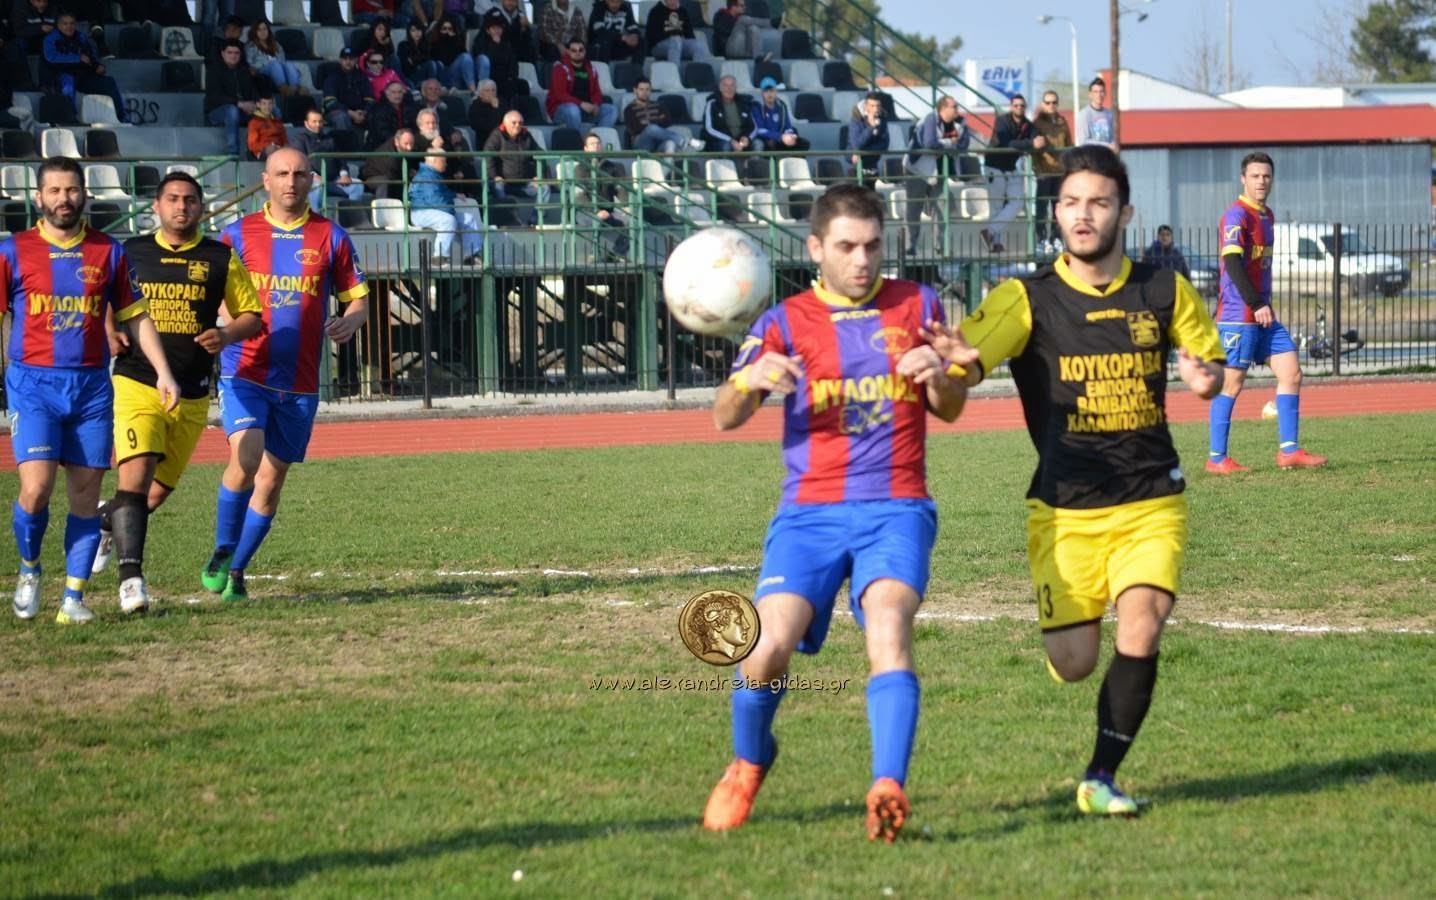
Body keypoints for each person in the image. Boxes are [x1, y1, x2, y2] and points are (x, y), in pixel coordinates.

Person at [923, 145, 1226, 817]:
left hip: (1152, 498)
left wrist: (1204, 378)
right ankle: (1066, 642)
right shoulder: (1024, 298)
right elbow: (962, 372)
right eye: (1070, 203)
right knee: (1074, 662)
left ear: (1125, 213)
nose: (1082, 215)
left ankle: (1100, 777)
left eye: (1098, 202)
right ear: (1055, 212)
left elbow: (1208, 366)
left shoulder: (1165, 289)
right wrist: (951, 364)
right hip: (1065, 509)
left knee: (1143, 622)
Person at [701, 183, 967, 842]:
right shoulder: (783, 322)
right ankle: (749, 762)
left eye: (873, 245)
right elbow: (723, 416)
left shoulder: (918, 304)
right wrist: (749, 381)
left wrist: (940, 375)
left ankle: (888, 786)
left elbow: (951, 408)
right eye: (847, 247)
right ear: (816, 247)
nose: (863, 260)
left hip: (897, 506)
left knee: (889, 627)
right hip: (809, 514)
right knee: (764, 650)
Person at [1, 157, 180, 624]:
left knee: (85, 497)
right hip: (34, 384)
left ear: (85, 194)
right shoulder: (12, 251)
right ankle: (29, 569)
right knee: (36, 490)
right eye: (54, 191)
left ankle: (73, 598)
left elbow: (136, 316)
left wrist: (163, 371)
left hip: (92, 389)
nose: (64, 199)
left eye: (72, 190)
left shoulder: (108, 251)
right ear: (38, 198)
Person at [88, 173, 263, 612]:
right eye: (172, 199)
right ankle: (131, 581)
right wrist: (108, 329)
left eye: (189, 200)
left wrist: (227, 334)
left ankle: (106, 520)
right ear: (156, 206)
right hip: (136, 381)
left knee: (154, 494)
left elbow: (252, 315)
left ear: (201, 207)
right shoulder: (131, 252)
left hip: (192, 393)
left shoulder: (220, 257)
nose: (181, 206)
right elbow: (99, 295)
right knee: (136, 474)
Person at [202, 148, 369, 601]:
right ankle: (222, 549)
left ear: (311, 179)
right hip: (245, 370)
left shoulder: (331, 236)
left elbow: (358, 299)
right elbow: (213, 294)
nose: (290, 181)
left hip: (299, 381)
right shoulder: (237, 235)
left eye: (299, 173)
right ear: (266, 180)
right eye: (281, 173)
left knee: (271, 482)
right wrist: (228, 322)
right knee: (247, 457)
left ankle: (236, 571)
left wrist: (351, 322)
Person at [1207, 152, 1327, 473]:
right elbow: (1232, 262)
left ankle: (1289, 451)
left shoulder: (1267, 215)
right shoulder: (1236, 214)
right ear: (1243, 179)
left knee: (1292, 373)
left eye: (1266, 176)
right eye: (1255, 176)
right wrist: (1255, 302)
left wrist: (1263, 305)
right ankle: (1216, 459)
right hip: (1239, 314)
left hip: (1263, 315)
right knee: (1232, 383)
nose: (1262, 181)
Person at [902, 95, 968, 255]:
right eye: (954, 107)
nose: (958, 110)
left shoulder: (960, 122)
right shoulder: (930, 119)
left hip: (939, 172)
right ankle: (909, 246)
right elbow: (929, 143)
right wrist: (949, 143)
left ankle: (941, 246)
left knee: (942, 206)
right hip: (918, 170)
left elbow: (963, 145)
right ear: (943, 108)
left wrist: (946, 145)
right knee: (914, 208)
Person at [980, 93, 1046, 254]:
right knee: (996, 206)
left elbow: (1037, 141)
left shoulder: (1028, 125)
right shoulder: (1002, 120)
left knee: (1018, 202)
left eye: (1022, 106)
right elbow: (1007, 143)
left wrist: (1039, 142)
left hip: (1011, 168)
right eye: (1016, 105)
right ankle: (994, 244)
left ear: (1025, 107)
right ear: (1011, 107)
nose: (1019, 108)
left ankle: (989, 231)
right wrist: (1031, 143)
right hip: (994, 166)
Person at [41, 12, 128, 123]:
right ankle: (68, 119)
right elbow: (51, 58)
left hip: (82, 76)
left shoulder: (81, 37)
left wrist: (97, 66)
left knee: (108, 82)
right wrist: (77, 58)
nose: (69, 27)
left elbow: (91, 55)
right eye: (65, 24)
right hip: (58, 76)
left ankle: (120, 117)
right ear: (58, 25)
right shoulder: (50, 39)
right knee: (68, 84)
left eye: (72, 23)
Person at [409, 151, 484, 266]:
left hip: (435, 211)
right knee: (448, 220)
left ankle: (471, 255)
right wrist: (451, 212)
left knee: (468, 219)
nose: (446, 164)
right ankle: (439, 257)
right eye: (443, 161)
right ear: (434, 161)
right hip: (421, 212)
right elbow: (434, 199)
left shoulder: (434, 175)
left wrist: (455, 195)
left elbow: (442, 194)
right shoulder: (426, 176)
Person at [484, 109, 549, 226]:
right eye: (514, 122)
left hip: (524, 183)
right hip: (504, 183)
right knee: (497, 186)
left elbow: (541, 155)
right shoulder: (497, 135)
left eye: (520, 123)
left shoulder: (526, 135)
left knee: (545, 187)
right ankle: (509, 221)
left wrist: (539, 175)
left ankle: (534, 221)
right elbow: (488, 156)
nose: (517, 125)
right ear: (505, 123)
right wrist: (494, 176)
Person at [1031, 89, 1072, 254]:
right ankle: (1041, 240)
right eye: (1048, 102)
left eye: (1054, 102)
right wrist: (1036, 168)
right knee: (1041, 207)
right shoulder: (1037, 123)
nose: (1051, 105)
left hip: (1060, 171)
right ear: (1043, 104)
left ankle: (1056, 238)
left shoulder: (1062, 122)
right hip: (1044, 171)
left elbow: (1069, 145)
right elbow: (1034, 148)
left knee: (1058, 207)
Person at [547, 39, 618, 131]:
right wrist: (581, 104)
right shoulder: (560, 68)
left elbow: (597, 91)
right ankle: (576, 140)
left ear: (585, 51)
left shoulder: (591, 69)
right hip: (563, 110)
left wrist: (596, 104)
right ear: (568, 51)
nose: (578, 53)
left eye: (581, 50)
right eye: (574, 50)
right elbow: (560, 94)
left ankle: (597, 138)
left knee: (611, 110)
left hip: (586, 110)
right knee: (573, 110)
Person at [205, 39, 259, 158]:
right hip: (217, 112)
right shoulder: (213, 70)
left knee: (271, 110)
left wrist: (254, 104)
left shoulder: (244, 70)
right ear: (222, 53)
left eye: (236, 53)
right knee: (231, 110)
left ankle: (260, 150)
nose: (233, 56)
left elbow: (253, 92)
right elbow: (215, 97)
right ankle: (233, 153)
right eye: (230, 52)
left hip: (243, 111)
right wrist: (239, 104)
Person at [622, 77, 684, 153]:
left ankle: (669, 160)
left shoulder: (659, 105)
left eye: (647, 89)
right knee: (651, 128)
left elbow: (668, 121)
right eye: (641, 89)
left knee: (670, 143)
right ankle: (681, 140)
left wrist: (648, 123)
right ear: (635, 90)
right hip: (641, 143)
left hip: (658, 141)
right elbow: (635, 129)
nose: (645, 92)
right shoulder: (629, 109)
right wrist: (658, 120)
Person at [472, 10, 522, 104]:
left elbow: (513, 62)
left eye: (499, 28)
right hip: (490, 76)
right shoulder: (480, 42)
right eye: (494, 28)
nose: (497, 31)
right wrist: (494, 44)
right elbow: (485, 60)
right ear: (488, 30)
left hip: (505, 76)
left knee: (522, 85)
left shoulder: (506, 43)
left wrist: (511, 76)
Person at [245, 18, 303, 95]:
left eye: (265, 29)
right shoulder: (250, 46)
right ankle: (284, 89)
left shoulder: (276, 44)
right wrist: (268, 63)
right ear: (255, 32)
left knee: (289, 64)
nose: (262, 32)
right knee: (275, 65)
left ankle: (295, 87)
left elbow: (282, 60)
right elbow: (250, 63)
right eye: (259, 30)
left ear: (268, 30)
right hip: (261, 69)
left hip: (278, 67)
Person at [750, 76, 808, 153]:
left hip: (780, 138)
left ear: (776, 91)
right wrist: (780, 136)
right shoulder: (757, 106)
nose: (769, 94)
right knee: (758, 144)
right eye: (766, 91)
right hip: (764, 139)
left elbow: (788, 126)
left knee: (803, 143)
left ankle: (793, 160)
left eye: (771, 90)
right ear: (762, 93)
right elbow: (759, 130)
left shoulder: (782, 106)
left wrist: (789, 136)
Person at [321, 47, 372, 132]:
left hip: (360, 112)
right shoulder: (332, 77)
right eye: (345, 59)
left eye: (351, 59)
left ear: (356, 60)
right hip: (337, 112)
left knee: (377, 114)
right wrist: (351, 113)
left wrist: (364, 112)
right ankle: (345, 141)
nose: (348, 62)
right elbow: (330, 103)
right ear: (340, 60)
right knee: (341, 117)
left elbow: (370, 100)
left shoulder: (362, 77)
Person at [702, 74, 756, 153]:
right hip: (721, 140)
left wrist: (747, 138)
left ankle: (754, 161)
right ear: (720, 88)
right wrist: (730, 140)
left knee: (758, 143)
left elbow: (754, 126)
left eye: (732, 85)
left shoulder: (744, 103)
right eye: (725, 85)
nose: (729, 89)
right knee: (726, 146)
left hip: (741, 140)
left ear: (735, 87)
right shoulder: (712, 104)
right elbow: (709, 128)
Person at [646, 0, 712, 65]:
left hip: (679, 43)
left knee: (699, 45)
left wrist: (683, 40)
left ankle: (696, 71)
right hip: (659, 47)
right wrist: (672, 37)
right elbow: (651, 37)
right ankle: (673, 71)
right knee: (675, 41)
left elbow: (689, 34)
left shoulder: (683, 11)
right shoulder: (655, 11)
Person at [427, 13, 478, 93]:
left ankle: (473, 90)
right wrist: (448, 41)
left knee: (466, 57)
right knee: (440, 64)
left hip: (455, 76)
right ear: (439, 29)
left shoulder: (456, 40)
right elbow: (443, 60)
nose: (447, 31)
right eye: (444, 28)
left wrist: (454, 40)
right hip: (443, 76)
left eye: (450, 29)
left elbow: (464, 56)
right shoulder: (435, 42)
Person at [362, 126, 420, 197]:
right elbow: (393, 177)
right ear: (396, 142)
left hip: (393, 176)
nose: (409, 148)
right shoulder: (388, 156)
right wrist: (408, 173)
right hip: (373, 177)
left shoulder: (407, 149)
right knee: (385, 181)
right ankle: (383, 204)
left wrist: (412, 170)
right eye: (406, 144)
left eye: (411, 143)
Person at [847, 91, 889, 181]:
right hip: (856, 165)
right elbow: (856, 145)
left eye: (878, 106)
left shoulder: (883, 118)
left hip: (872, 163)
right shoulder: (856, 119)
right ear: (866, 106)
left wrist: (861, 152)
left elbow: (884, 145)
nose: (876, 109)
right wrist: (871, 127)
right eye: (872, 106)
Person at [367, 79, 418, 149]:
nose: (397, 95)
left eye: (400, 92)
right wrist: (399, 141)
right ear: (386, 94)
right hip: (382, 146)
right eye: (393, 92)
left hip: (407, 143)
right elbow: (382, 133)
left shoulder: (410, 108)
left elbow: (414, 127)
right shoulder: (378, 109)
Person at [588, 0, 642, 64]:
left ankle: (635, 68)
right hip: (600, 43)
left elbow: (632, 26)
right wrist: (623, 38)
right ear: (607, 1)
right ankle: (603, 68)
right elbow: (600, 31)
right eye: (612, 1)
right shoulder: (598, 8)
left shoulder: (626, 8)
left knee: (640, 41)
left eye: (618, 2)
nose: (615, 5)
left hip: (619, 42)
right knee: (605, 41)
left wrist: (634, 36)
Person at [398, 20, 442, 85]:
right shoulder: (403, 45)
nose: (417, 33)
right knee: (430, 63)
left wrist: (414, 59)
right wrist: (422, 59)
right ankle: (432, 86)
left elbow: (432, 58)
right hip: (412, 76)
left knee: (439, 63)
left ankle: (442, 86)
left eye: (419, 30)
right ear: (409, 32)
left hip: (426, 72)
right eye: (413, 30)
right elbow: (406, 67)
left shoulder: (426, 44)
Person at [1076, 77, 1115, 151]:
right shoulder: (1084, 114)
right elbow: (1083, 141)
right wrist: (1106, 145)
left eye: (1101, 91)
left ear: (1105, 93)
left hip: (1106, 155)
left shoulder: (1109, 114)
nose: (1099, 95)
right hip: (1091, 156)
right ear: (1090, 94)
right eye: (1095, 92)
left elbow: (1112, 138)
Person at [245, 92, 287, 160]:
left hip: (279, 149)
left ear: (273, 104)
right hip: (263, 151)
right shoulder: (254, 122)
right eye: (264, 104)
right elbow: (252, 145)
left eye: (270, 103)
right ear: (258, 105)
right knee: (272, 150)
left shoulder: (278, 122)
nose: (267, 107)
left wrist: (282, 148)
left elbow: (285, 141)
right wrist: (269, 145)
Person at [468, 78, 506, 143]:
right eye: (487, 91)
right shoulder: (475, 107)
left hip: (504, 139)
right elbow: (487, 126)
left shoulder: (502, 102)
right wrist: (495, 109)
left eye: (493, 90)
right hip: (485, 141)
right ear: (480, 94)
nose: (491, 93)